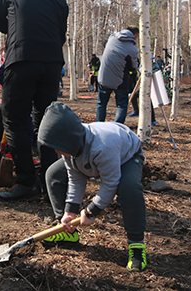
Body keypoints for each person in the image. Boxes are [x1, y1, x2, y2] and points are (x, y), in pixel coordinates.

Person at [0, 0, 68, 201]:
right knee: (45, 121)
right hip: (52, 63)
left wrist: (15, 29)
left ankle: (26, 182)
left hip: (22, 58)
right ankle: (51, 183)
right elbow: (61, 34)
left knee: (14, 119)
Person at [38, 102, 147, 272]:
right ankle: (68, 230)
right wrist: (70, 211)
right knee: (53, 175)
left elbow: (111, 183)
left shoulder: (103, 146)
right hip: (90, 157)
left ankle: (137, 246)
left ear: (68, 139)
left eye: (57, 147)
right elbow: (75, 177)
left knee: (129, 189)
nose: (56, 151)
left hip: (127, 156)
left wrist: (91, 211)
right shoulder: (70, 147)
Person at [96, 26, 139, 124]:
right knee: (122, 105)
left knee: (101, 103)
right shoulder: (132, 49)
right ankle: (117, 127)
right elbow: (133, 67)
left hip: (104, 77)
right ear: (135, 36)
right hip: (120, 80)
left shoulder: (112, 38)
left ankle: (98, 125)